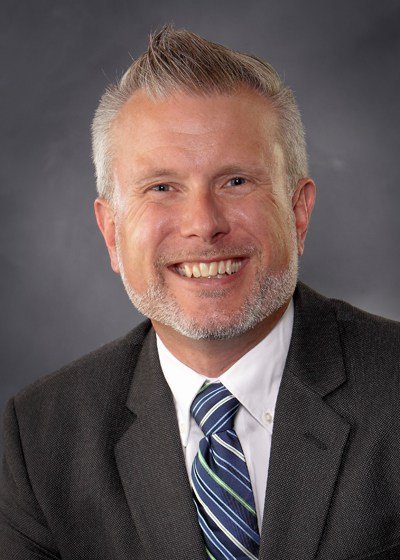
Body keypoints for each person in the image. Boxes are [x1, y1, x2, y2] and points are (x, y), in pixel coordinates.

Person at [1, 25, 399, 560]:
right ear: (112, 233)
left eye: (236, 181)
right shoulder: (39, 438)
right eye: (162, 187)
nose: (204, 224)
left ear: (298, 212)